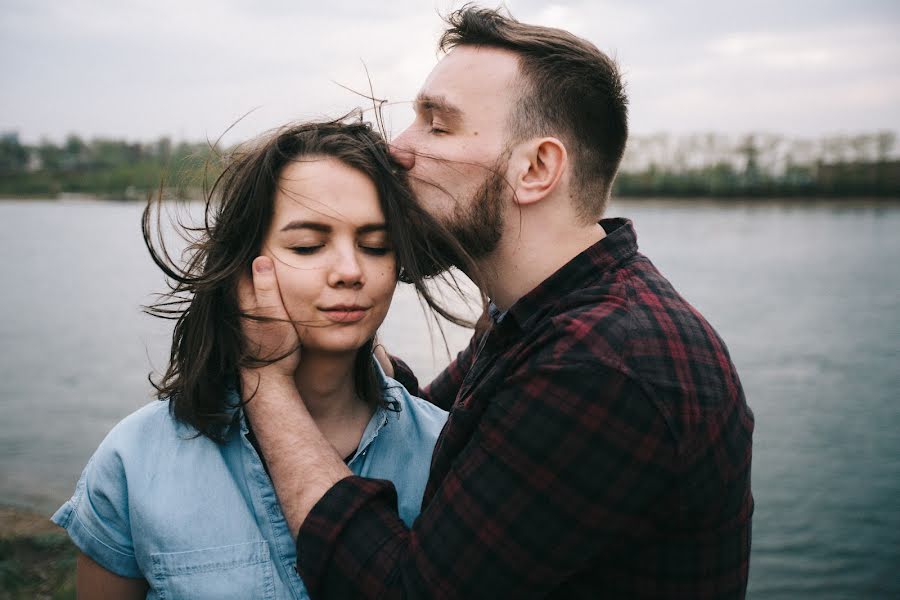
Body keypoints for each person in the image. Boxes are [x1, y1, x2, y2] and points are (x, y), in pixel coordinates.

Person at [242, 6, 755, 600]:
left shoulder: (600, 364)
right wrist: (337, 329)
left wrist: (267, 383)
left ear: (536, 169)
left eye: (437, 125)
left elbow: (403, 591)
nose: (398, 148)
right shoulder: (539, 319)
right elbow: (429, 423)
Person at [51, 120, 479, 599]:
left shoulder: (445, 452)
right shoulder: (135, 457)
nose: (350, 271)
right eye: (307, 246)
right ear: (241, 269)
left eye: (375, 245)